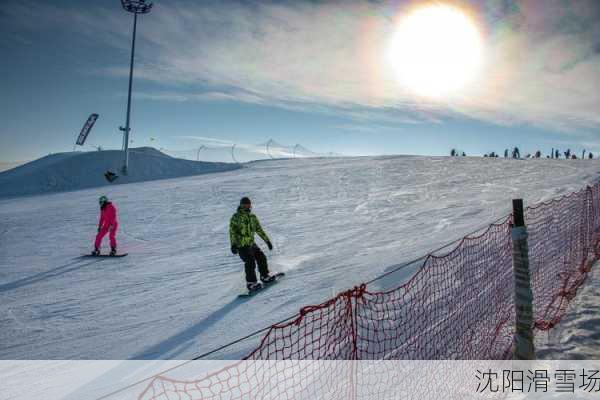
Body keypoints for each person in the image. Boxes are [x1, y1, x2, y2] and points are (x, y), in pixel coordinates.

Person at [229, 197, 274, 291]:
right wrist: (233, 244)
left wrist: (267, 241)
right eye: (244, 204)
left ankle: (264, 276)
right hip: (241, 245)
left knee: (261, 257)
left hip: (251, 243)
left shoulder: (252, 217)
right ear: (241, 205)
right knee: (250, 261)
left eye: (248, 204)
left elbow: (259, 229)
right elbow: (232, 232)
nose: (246, 206)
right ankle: (251, 283)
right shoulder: (236, 217)